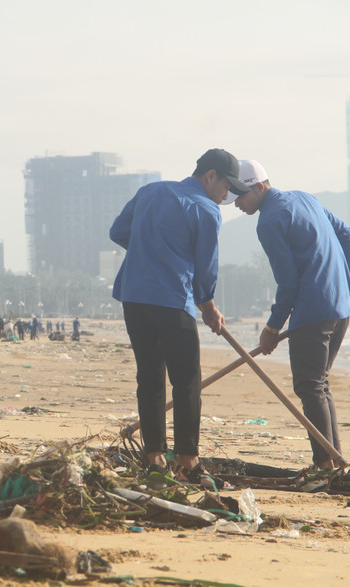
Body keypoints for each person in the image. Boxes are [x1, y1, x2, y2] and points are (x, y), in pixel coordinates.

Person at [110, 148, 248, 487]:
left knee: (150, 376)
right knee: (186, 381)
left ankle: (155, 459)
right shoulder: (206, 209)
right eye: (226, 187)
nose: (226, 196)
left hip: (134, 297)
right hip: (172, 300)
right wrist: (209, 307)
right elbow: (205, 269)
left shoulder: (150, 191)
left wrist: (150, 250)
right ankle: (188, 461)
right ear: (210, 176)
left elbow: (118, 231)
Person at [234, 159, 350, 470]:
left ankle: (325, 463)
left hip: (313, 311)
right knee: (318, 383)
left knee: (309, 385)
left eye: (240, 196)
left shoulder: (270, 221)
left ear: (258, 187)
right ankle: (334, 459)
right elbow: (348, 236)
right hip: (341, 306)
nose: (237, 203)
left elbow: (287, 283)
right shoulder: (306, 197)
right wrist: (341, 280)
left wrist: (272, 328)